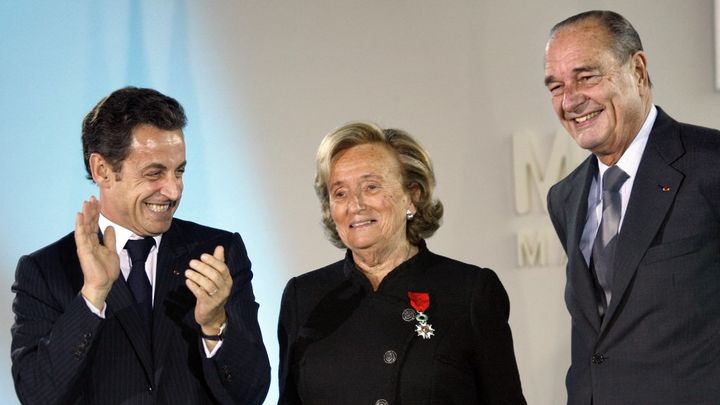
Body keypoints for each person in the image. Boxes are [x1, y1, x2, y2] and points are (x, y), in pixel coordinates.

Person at [10, 87, 270, 404]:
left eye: (179, 171)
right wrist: (92, 295)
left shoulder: (217, 253)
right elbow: (38, 396)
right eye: (154, 173)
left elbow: (251, 393)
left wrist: (215, 324)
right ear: (102, 170)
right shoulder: (46, 270)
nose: (173, 190)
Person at [277, 122, 526, 404]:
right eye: (340, 193)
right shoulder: (305, 296)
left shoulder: (469, 291)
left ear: (413, 196)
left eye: (371, 187)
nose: (355, 205)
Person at [545, 10, 720, 405]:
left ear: (638, 71)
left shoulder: (710, 164)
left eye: (586, 77)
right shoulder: (565, 197)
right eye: (556, 86)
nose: (570, 100)